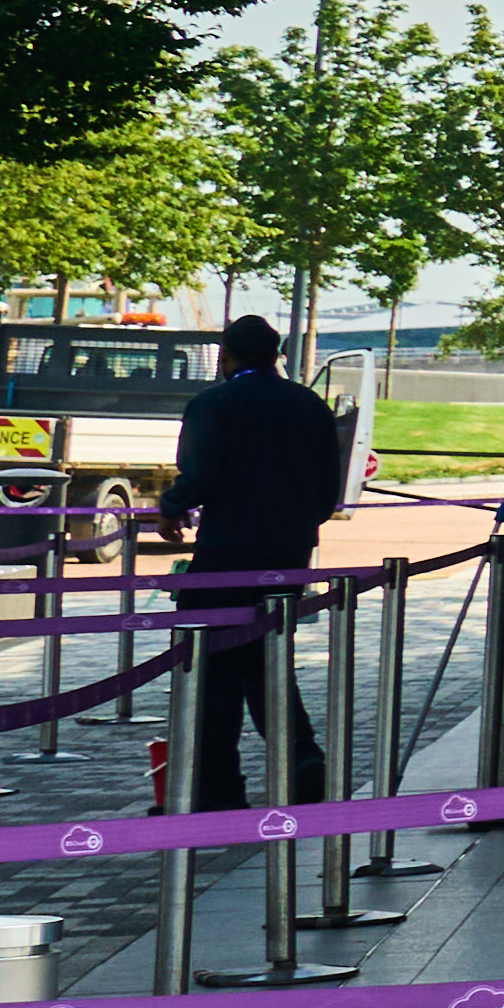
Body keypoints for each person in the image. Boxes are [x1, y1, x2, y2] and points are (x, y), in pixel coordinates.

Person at [152, 316, 355, 813]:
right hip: (289, 553)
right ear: (275, 354)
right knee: (264, 656)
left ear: (226, 356)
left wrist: (172, 507)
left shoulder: (213, 404)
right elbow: (329, 489)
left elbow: (198, 475)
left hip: (227, 551)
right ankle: (301, 760)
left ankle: (219, 785)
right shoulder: (310, 405)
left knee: (213, 664)